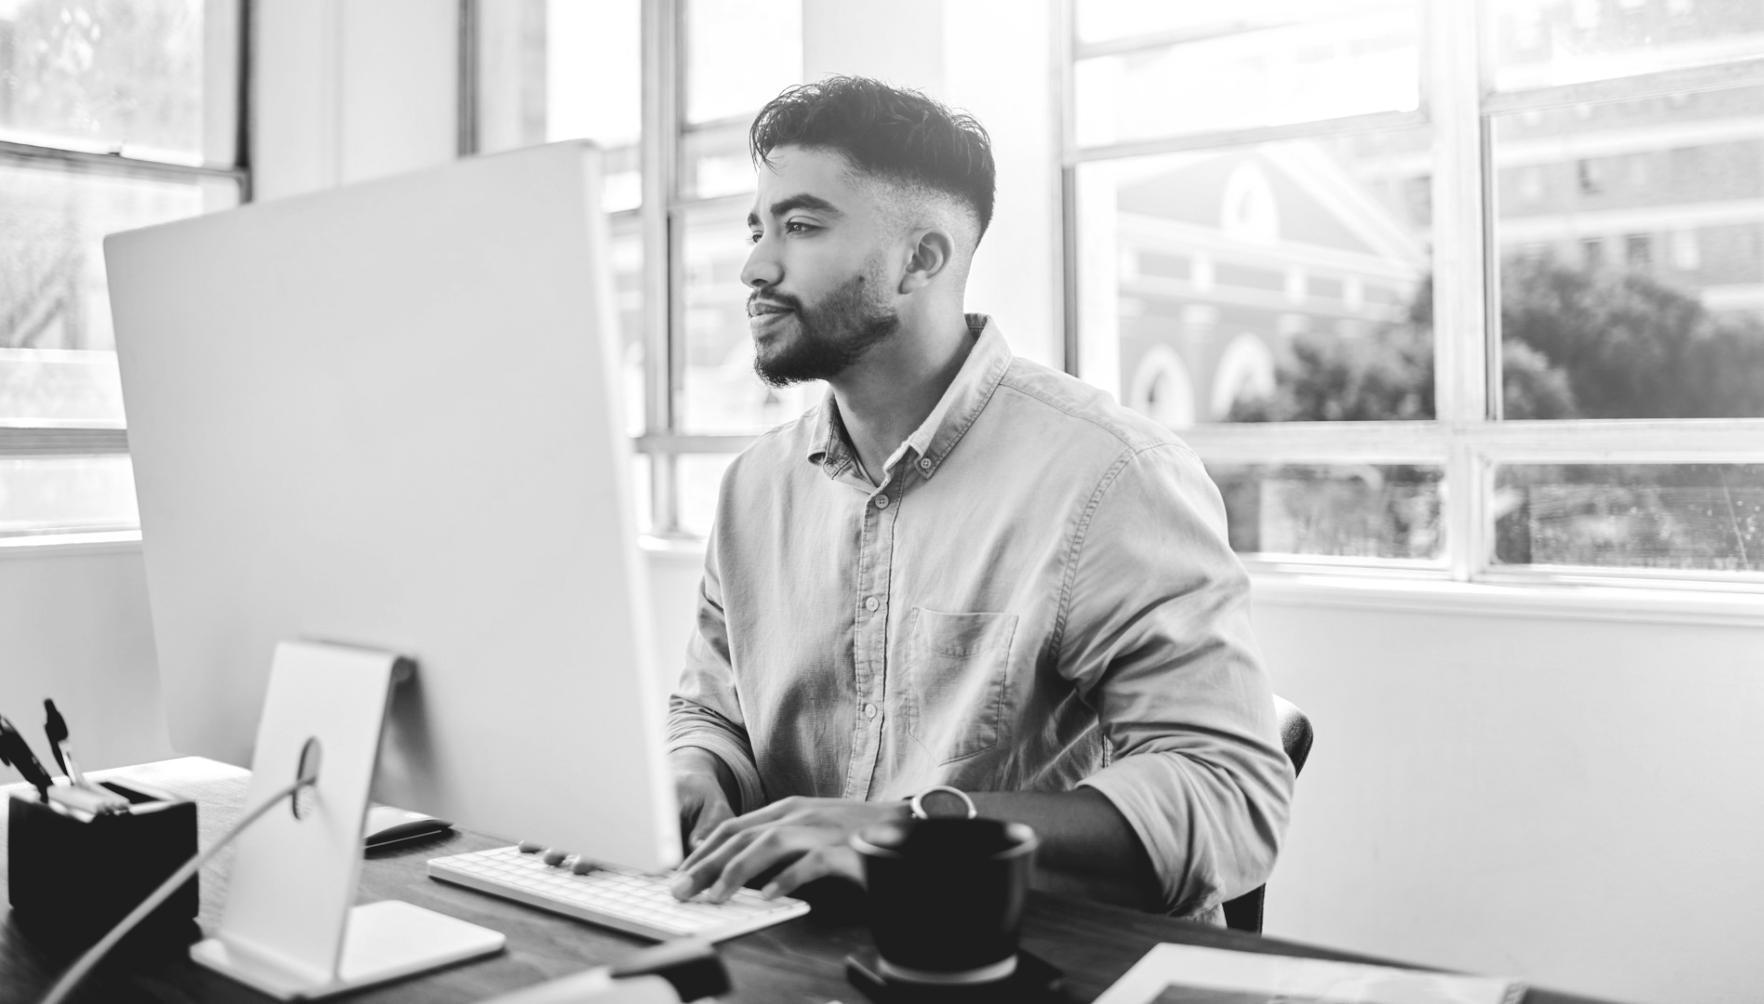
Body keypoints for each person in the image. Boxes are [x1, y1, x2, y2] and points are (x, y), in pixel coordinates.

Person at [665, 76, 1292, 922]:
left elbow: (1228, 794)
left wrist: (909, 835)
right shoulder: (753, 489)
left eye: (802, 226)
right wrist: (692, 776)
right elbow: (712, 709)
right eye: (757, 227)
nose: (755, 266)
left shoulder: (1111, 475)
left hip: (1036, 962)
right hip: (800, 951)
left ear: (922, 260)